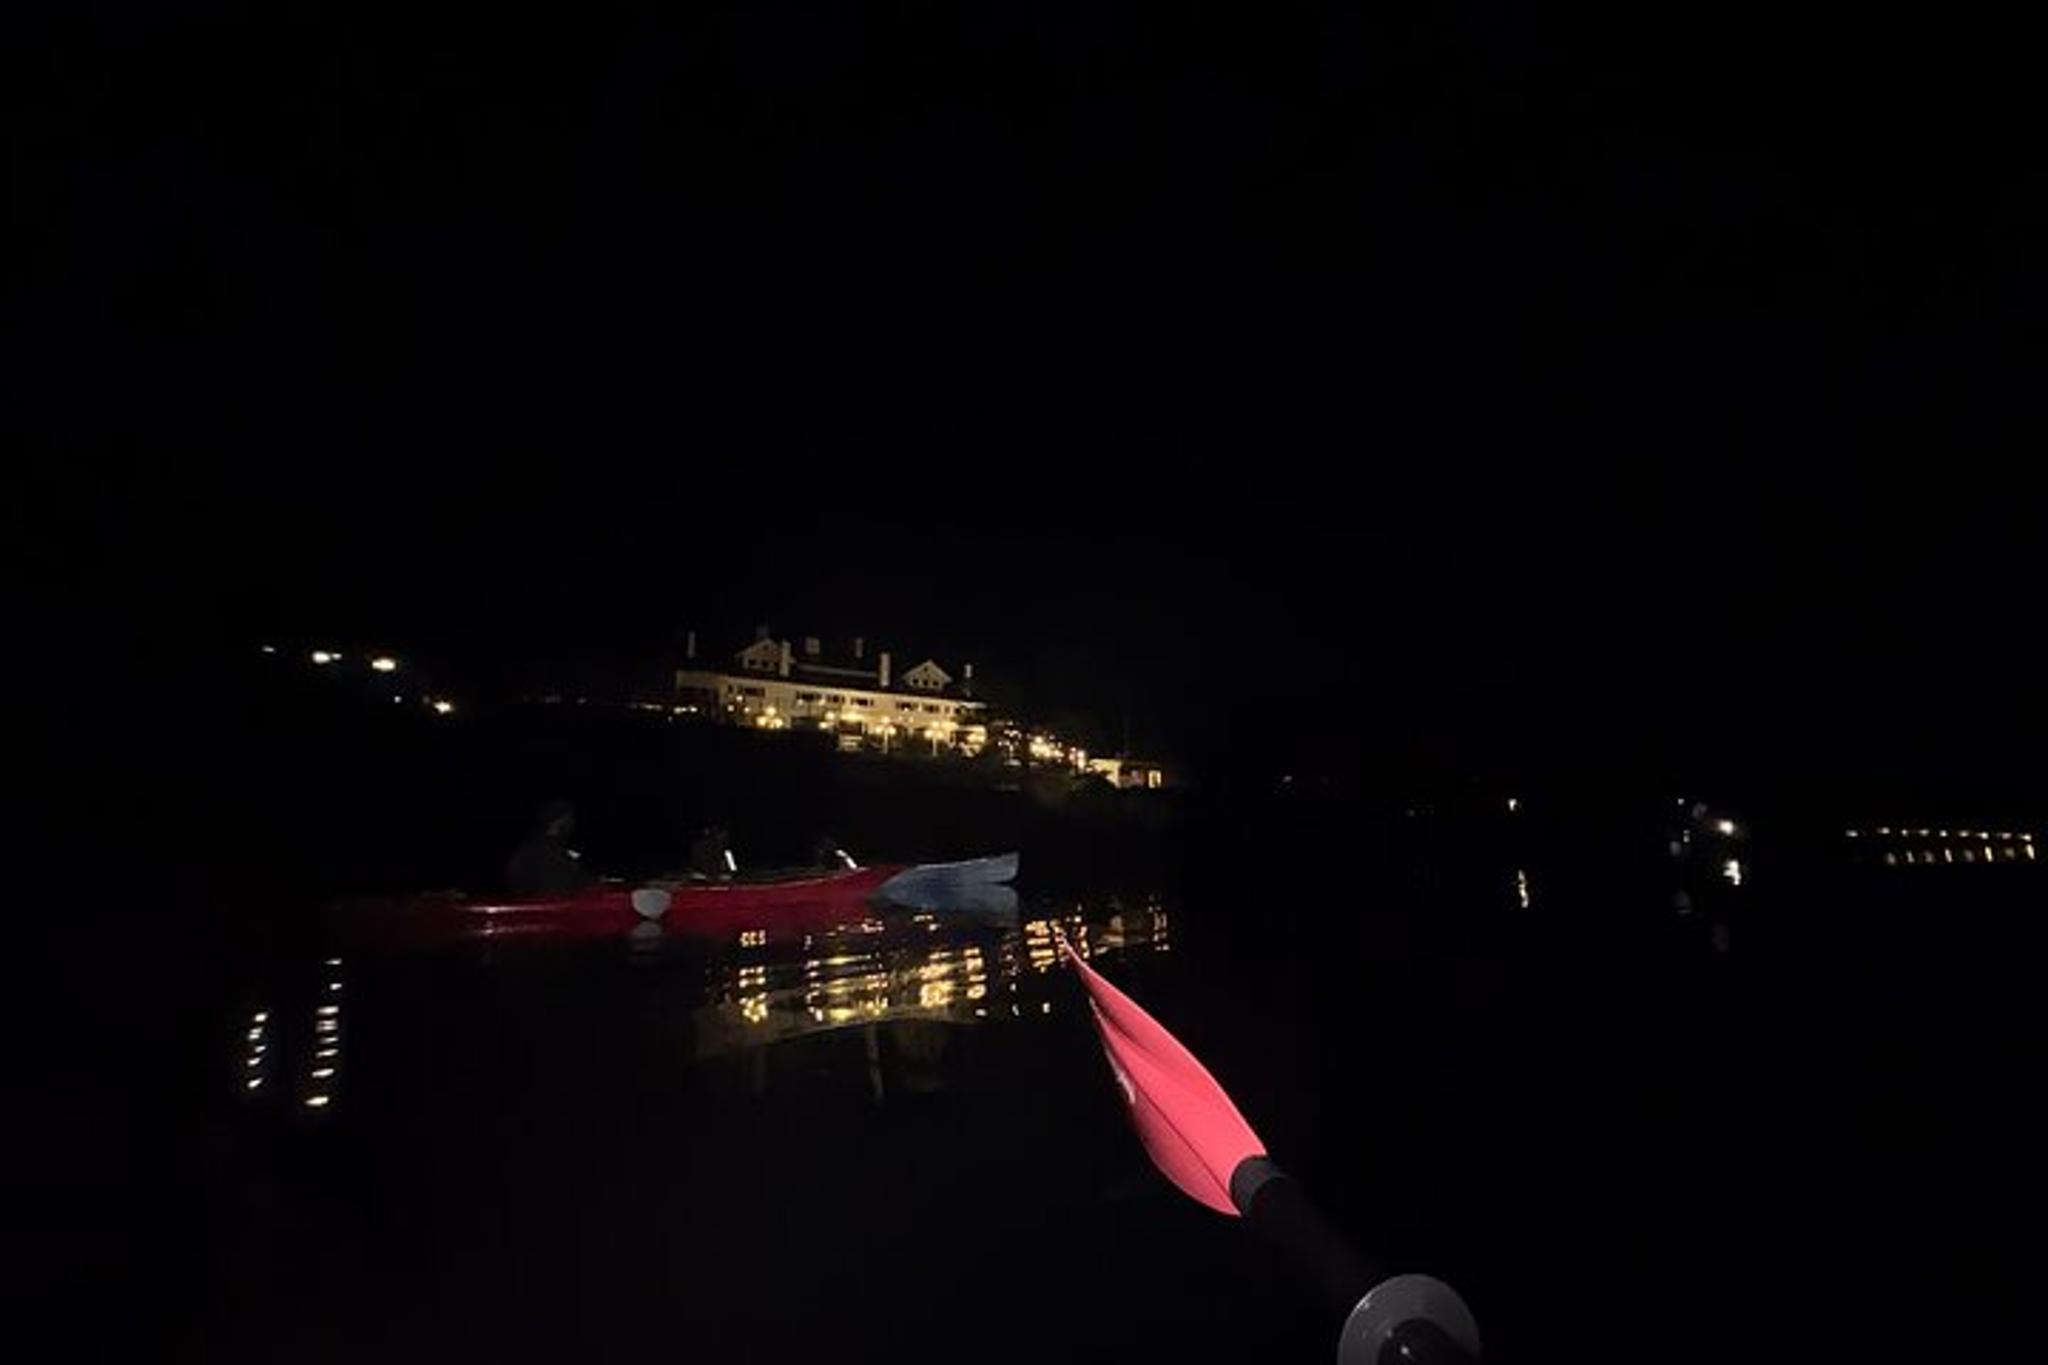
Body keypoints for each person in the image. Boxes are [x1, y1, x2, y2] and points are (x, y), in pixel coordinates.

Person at [505, 799, 596, 897]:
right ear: (558, 821)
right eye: (569, 818)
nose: (572, 823)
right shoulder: (547, 854)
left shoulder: (562, 852)